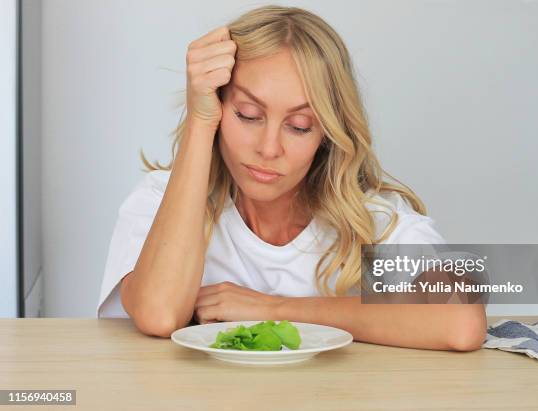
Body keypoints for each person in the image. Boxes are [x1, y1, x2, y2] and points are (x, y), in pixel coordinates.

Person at [97, 5, 487, 351]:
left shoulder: (371, 220)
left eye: (299, 126)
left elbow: (460, 321)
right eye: (248, 115)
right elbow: (160, 315)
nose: (269, 148)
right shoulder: (158, 200)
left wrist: (271, 309)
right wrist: (200, 122)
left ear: (328, 134)